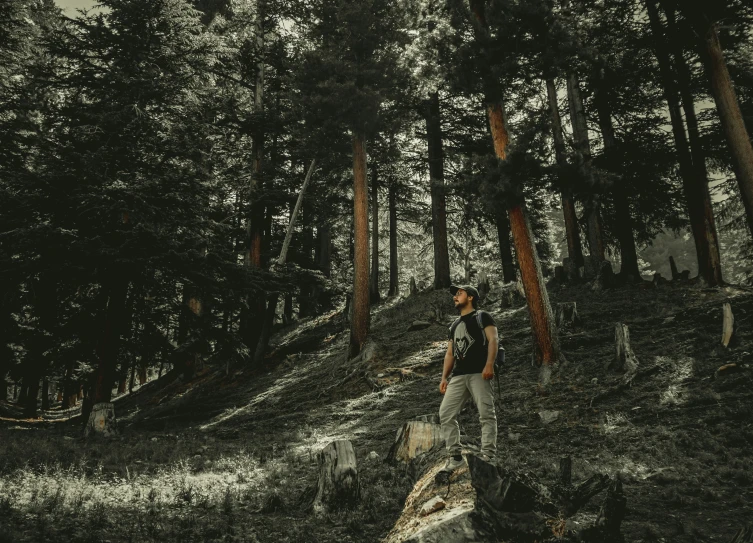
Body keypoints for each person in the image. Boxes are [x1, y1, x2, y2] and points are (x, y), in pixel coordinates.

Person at [438, 284, 498, 471]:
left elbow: (493, 340)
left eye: (459, 293)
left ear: (470, 297)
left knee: (486, 413)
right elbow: (450, 353)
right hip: (458, 375)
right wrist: (444, 377)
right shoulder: (454, 325)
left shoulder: (483, 317)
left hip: (479, 372)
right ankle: (455, 457)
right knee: (446, 413)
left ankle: (488, 455)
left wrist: (489, 364)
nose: (455, 297)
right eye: (454, 294)